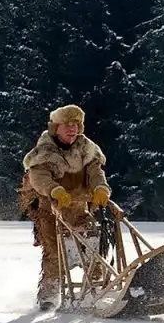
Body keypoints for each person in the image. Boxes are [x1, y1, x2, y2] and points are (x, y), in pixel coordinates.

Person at [17, 104, 112, 310]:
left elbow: (95, 172)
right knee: (54, 250)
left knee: (93, 240)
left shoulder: (86, 149)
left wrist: (101, 188)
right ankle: (49, 295)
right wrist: (55, 190)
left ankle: (95, 286)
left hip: (78, 207)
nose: (73, 128)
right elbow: (38, 177)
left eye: (77, 124)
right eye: (68, 124)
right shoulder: (44, 151)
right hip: (49, 209)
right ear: (56, 127)